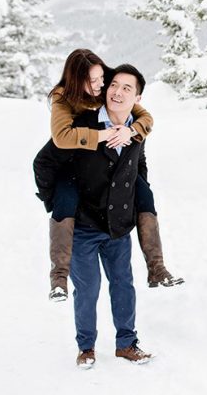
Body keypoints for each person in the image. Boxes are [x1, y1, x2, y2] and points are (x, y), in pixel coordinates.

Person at [34, 64, 157, 367]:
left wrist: (136, 194)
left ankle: (126, 344)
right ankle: (86, 346)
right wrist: (58, 200)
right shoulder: (83, 126)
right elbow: (44, 162)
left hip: (117, 227)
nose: (117, 91)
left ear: (137, 96)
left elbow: (139, 164)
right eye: (113, 85)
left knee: (123, 285)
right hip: (84, 228)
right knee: (88, 290)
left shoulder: (136, 128)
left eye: (127, 88)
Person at [42, 49, 183, 302]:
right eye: (92, 81)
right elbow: (60, 140)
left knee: (145, 195)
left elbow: (144, 115)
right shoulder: (62, 97)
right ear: (75, 81)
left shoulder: (108, 86)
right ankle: (58, 278)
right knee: (64, 201)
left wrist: (131, 131)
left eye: (100, 79)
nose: (100, 86)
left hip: (105, 155)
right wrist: (103, 135)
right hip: (68, 160)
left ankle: (157, 268)